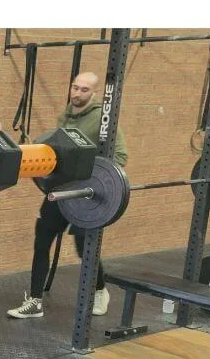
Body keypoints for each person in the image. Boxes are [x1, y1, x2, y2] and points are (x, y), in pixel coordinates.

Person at [7, 71, 128, 319]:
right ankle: (35, 301)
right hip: (61, 190)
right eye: (75, 87)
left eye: (84, 90)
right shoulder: (66, 116)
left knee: (85, 247)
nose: (77, 93)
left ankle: (99, 291)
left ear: (94, 94)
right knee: (42, 240)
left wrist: (94, 177)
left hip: (87, 195)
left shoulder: (103, 120)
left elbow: (120, 156)